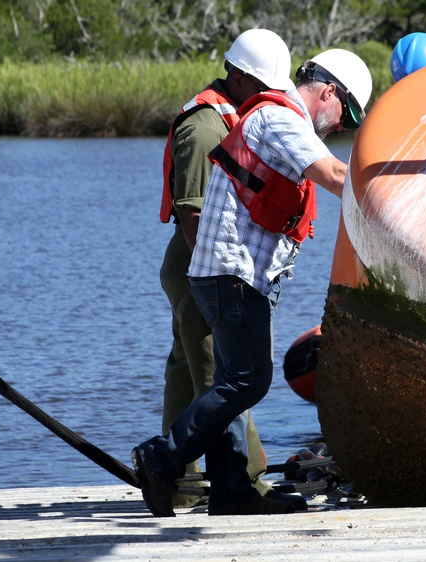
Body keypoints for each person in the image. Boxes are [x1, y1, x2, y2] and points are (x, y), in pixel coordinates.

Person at [132, 48, 373, 517]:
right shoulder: (281, 121)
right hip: (232, 274)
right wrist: (398, 195)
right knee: (249, 380)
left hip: (230, 275)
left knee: (231, 380)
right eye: (347, 114)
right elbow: (335, 174)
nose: (342, 127)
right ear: (328, 92)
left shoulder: (270, 116)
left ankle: (231, 492)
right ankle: (161, 457)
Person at [156, 28, 297, 510]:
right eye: (258, 84)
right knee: (228, 374)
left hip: (197, 264)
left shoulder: (234, 116)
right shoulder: (206, 128)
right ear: (235, 75)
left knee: (187, 369)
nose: (265, 96)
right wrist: (216, 286)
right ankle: (247, 481)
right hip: (199, 261)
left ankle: (181, 484)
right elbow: (192, 215)